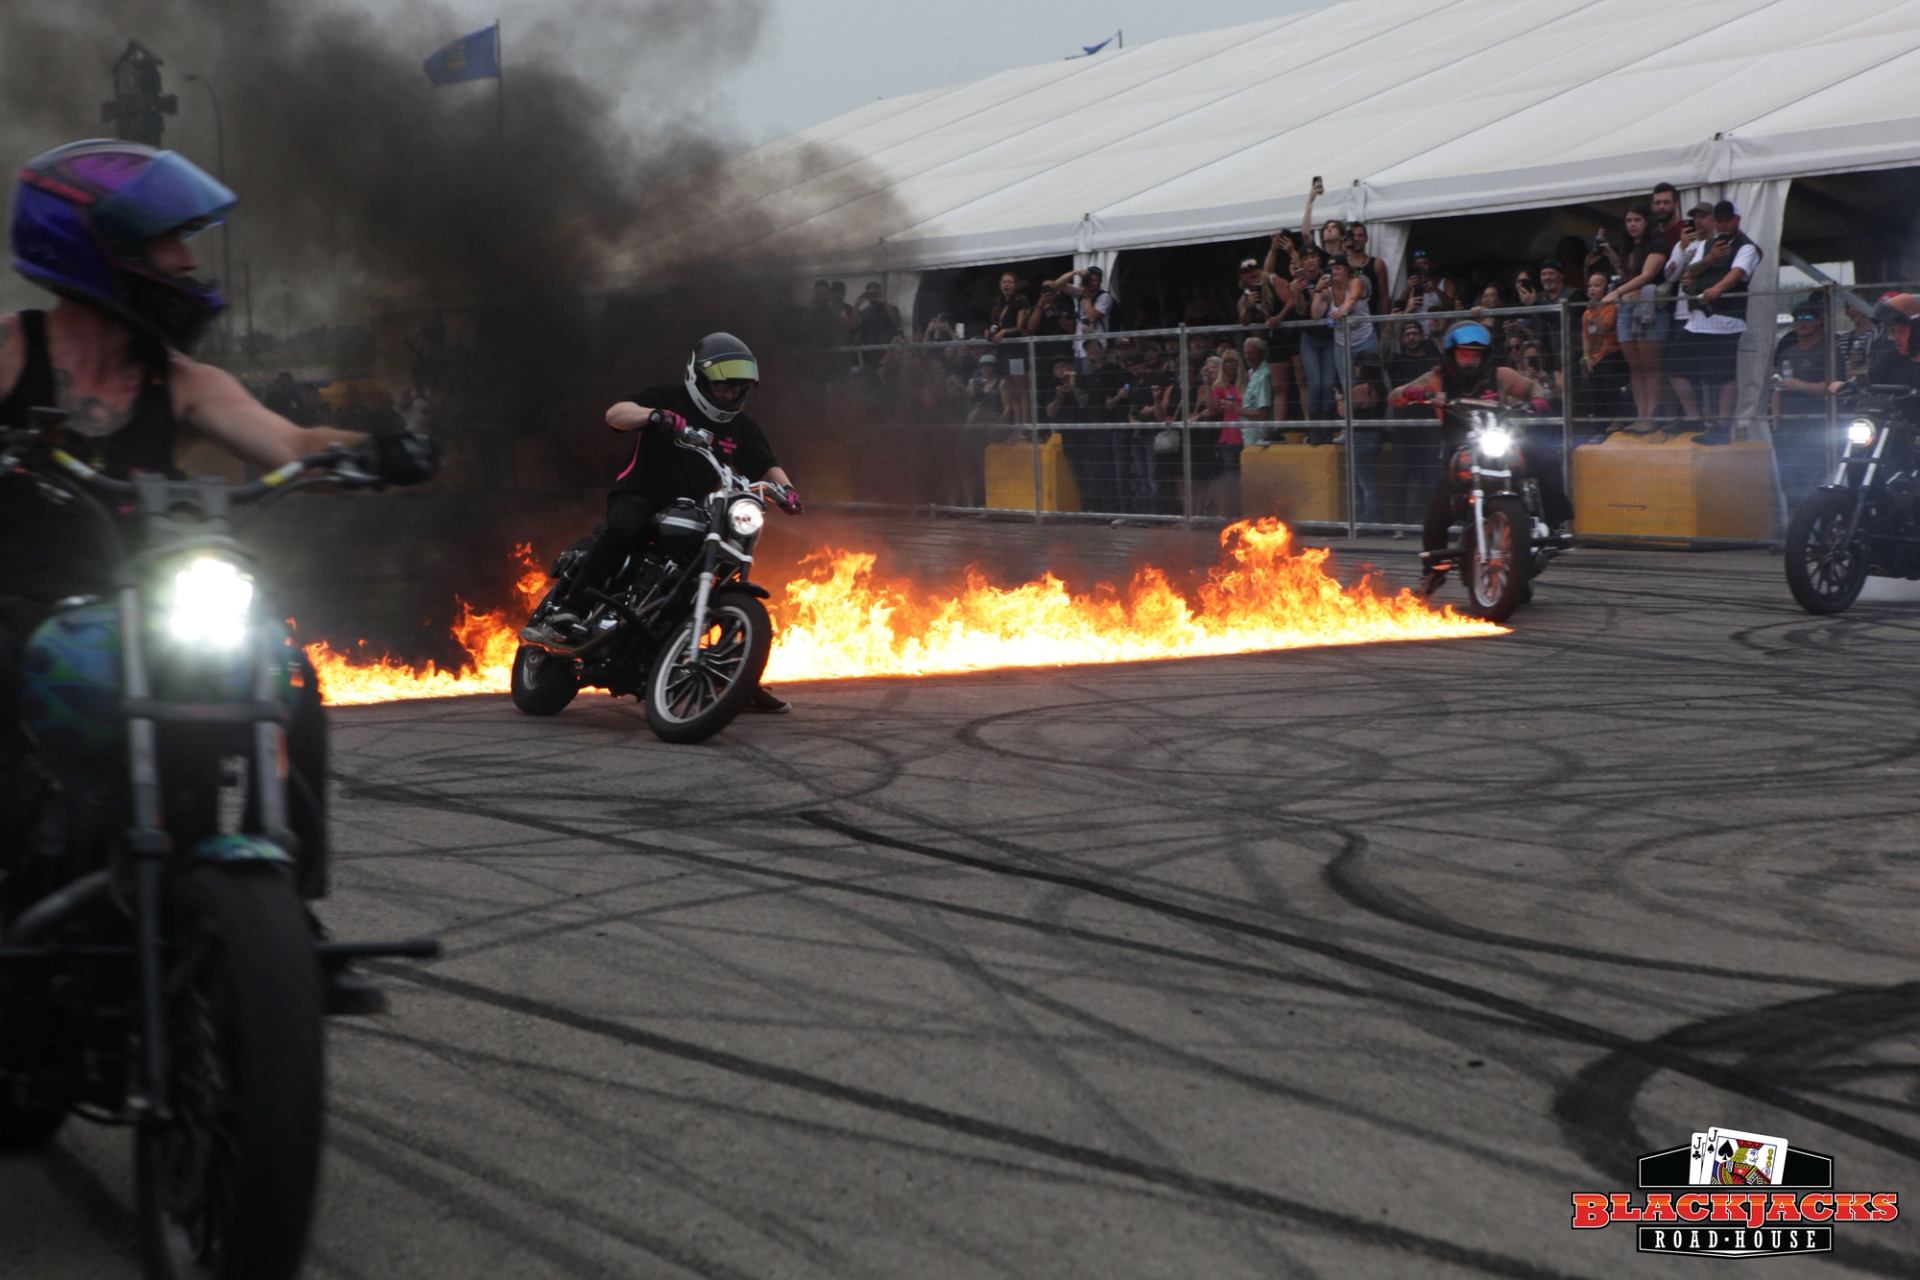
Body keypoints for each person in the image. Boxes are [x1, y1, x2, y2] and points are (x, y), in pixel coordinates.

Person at [0, 139, 436, 1014]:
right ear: (98, 245)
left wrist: (375, 451)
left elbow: (291, 443)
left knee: (284, 673)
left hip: (143, 604)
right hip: (20, 600)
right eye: (168, 241)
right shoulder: (11, 353)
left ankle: (286, 910)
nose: (188, 263)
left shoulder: (185, 381)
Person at [523, 332, 802, 711]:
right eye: (723, 385)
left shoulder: (742, 427)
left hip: (697, 510)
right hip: (640, 495)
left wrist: (788, 491)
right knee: (626, 528)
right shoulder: (670, 398)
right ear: (700, 378)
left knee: (721, 572)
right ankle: (570, 607)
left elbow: (766, 465)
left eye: (738, 387)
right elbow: (615, 414)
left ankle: (737, 675)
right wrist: (653, 416)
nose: (730, 393)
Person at [1388, 322, 1571, 590]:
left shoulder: (1501, 376)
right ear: (1451, 353)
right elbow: (1394, 396)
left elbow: (1533, 388)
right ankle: (1433, 571)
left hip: (1499, 442)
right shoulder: (1437, 378)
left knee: (1546, 458)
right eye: (1464, 353)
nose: (1471, 359)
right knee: (1438, 510)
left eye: (1476, 354)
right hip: (1460, 451)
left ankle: (1554, 525)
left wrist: (1538, 401)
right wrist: (1410, 394)